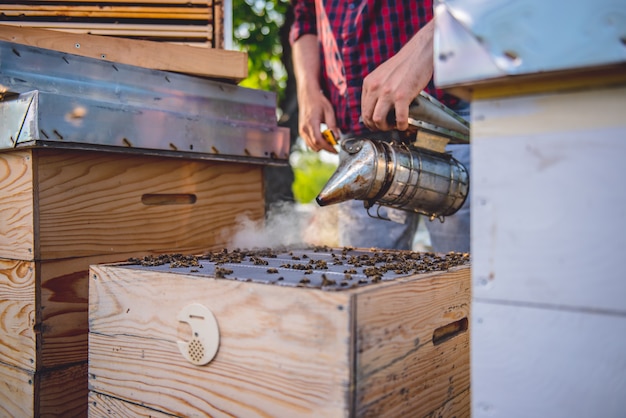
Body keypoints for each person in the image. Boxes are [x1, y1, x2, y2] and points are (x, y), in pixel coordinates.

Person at [289, 0, 470, 252]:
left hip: (445, 119)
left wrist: (431, 42)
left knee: (471, 276)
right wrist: (307, 87)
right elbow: (305, 14)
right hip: (362, 142)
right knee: (366, 279)